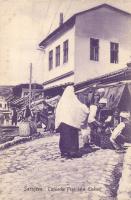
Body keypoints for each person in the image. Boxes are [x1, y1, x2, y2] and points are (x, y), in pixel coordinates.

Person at [55, 85, 89, 158]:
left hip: (63, 123)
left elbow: (57, 112)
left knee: (64, 137)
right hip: (71, 123)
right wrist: (86, 109)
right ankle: (72, 152)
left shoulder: (62, 101)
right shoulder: (73, 100)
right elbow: (81, 108)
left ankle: (64, 152)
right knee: (71, 137)